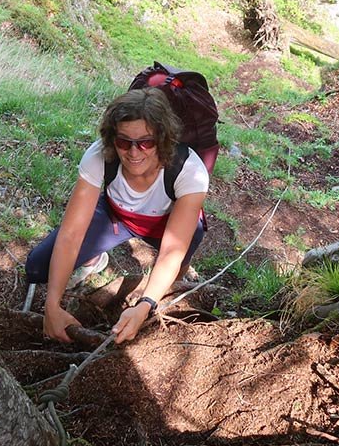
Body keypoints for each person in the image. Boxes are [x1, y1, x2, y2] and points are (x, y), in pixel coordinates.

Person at [25, 87, 209, 344]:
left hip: (165, 225)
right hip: (117, 216)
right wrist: (52, 305)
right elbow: (71, 233)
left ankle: (173, 283)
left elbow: (171, 251)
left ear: (163, 139)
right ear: (112, 139)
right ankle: (93, 259)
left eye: (146, 142)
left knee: (180, 255)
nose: (134, 152)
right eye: (124, 142)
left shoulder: (190, 170)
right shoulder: (99, 155)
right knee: (37, 267)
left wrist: (145, 304)